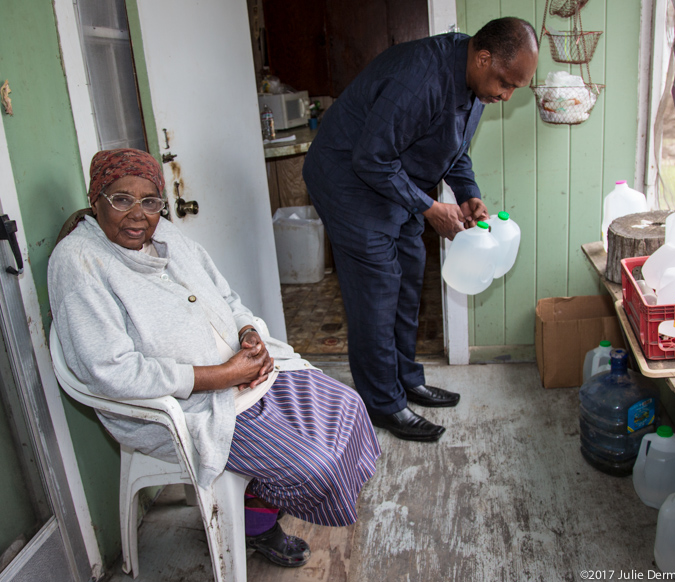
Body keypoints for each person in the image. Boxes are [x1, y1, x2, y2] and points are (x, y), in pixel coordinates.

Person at [48, 148, 381, 568]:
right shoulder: (79, 262)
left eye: (150, 201)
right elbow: (111, 372)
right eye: (121, 199)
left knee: (349, 407)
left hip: (241, 375)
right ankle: (256, 525)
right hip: (190, 407)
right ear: (96, 199)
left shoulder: (169, 234)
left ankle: (254, 509)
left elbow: (226, 297)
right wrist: (221, 376)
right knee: (314, 464)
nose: (138, 215)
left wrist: (248, 334)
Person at [302, 17, 539, 442]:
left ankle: (407, 380)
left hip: (394, 179)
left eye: (514, 88)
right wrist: (430, 207)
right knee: (377, 292)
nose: (506, 95)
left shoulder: (476, 81)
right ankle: (384, 404)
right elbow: (370, 159)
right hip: (347, 181)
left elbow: (456, 149)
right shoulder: (421, 80)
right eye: (505, 84)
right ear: (483, 58)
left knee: (410, 276)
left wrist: (467, 193)